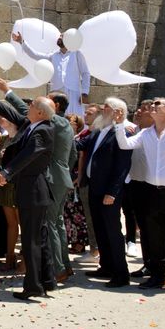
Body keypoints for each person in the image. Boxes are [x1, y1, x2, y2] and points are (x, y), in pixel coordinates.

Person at [0, 81, 76, 284]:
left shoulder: (54, 122)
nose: (31, 106)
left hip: (51, 179)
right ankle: (63, 266)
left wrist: (8, 92)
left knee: (48, 224)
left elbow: (25, 112)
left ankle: (56, 269)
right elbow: (72, 155)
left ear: (53, 105)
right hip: (61, 177)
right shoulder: (64, 126)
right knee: (57, 224)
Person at [0, 91, 56, 300]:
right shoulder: (32, 125)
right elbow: (13, 115)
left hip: (34, 191)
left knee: (32, 239)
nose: (28, 107)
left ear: (40, 112)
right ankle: (46, 280)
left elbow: (28, 155)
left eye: (32, 105)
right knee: (39, 237)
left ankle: (33, 285)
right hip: (31, 190)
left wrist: (6, 172)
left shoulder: (43, 131)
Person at [114, 97, 165, 296]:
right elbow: (124, 144)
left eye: (157, 104)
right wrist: (120, 123)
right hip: (151, 190)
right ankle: (157, 276)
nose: (153, 107)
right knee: (154, 236)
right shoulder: (146, 133)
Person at [76, 98, 132, 289]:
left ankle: (121, 273)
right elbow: (80, 145)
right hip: (94, 187)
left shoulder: (121, 132)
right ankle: (106, 266)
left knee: (112, 231)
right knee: (100, 229)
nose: (102, 108)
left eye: (106, 106)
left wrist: (113, 192)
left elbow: (122, 167)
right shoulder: (99, 129)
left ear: (118, 112)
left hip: (108, 191)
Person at [12, 31, 90, 116]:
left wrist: (85, 92)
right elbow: (34, 55)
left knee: (75, 117)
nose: (59, 37)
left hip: (73, 93)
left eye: (62, 36)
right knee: (56, 116)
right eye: (59, 35)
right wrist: (22, 42)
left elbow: (85, 73)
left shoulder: (76, 53)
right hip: (57, 92)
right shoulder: (53, 55)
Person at [0, 109, 22, 271]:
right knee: (11, 223)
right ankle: (10, 257)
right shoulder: (2, 139)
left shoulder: (22, 138)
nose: (2, 120)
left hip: (18, 185)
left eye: (6, 118)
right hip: (4, 186)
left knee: (23, 223)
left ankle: (25, 259)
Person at [126, 99, 154, 279]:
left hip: (151, 185)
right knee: (143, 227)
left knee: (154, 229)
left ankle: (157, 265)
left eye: (143, 110)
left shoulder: (156, 133)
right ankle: (148, 264)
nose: (138, 112)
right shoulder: (134, 132)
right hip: (135, 183)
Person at [75, 104, 102, 262]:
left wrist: (79, 176)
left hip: (92, 180)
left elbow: (82, 157)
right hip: (85, 179)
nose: (85, 115)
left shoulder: (95, 133)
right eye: (85, 112)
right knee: (89, 217)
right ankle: (94, 249)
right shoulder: (86, 132)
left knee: (93, 217)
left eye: (90, 113)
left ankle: (96, 251)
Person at [63, 113, 89, 255]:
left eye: (72, 123)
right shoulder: (64, 139)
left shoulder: (80, 139)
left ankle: (80, 243)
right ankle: (70, 240)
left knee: (78, 213)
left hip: (75, 180)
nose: (69, 124)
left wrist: (77, 177)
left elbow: (82, 159)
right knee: (67, 213)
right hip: (65, 178)